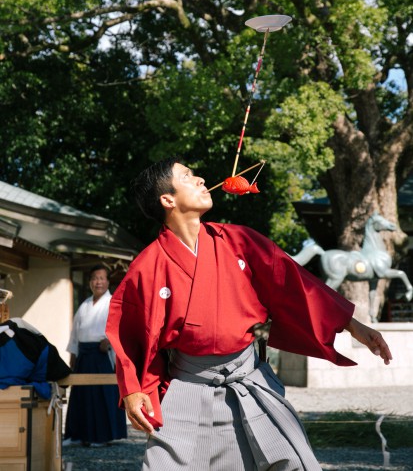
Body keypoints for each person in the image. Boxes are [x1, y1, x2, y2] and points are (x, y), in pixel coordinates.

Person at [106, 157, 392, 470]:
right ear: (167, 199)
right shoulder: (148, 267)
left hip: (249, 380)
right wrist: (133, 390)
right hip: (188, 388)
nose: (201, 179)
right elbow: (129, 333)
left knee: (294, 463)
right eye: (188, 176)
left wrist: (352, 324)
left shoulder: (239, 241)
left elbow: (294, 283)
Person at [64, 264, 127, 447]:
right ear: (90, 282)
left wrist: (109, 341)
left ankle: (101, 436)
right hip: (84, 354)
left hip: (102, 355)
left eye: (101, 278)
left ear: (107, 282)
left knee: (101, 397)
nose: (97, 282)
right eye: (94, 278)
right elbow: (75, 333)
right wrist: (73, 355)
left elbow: (120, 329)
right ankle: (76, 435)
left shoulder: (112, 303)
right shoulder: (84, 305)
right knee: (81, 396)